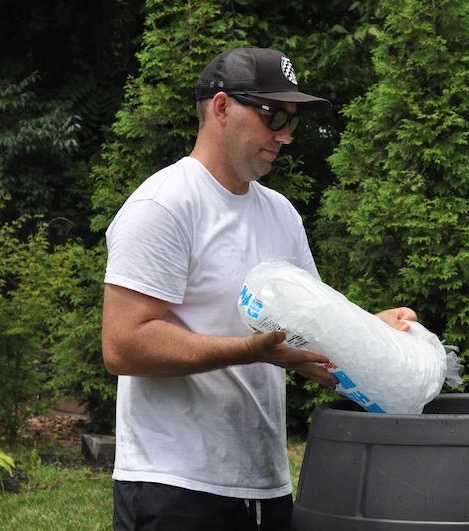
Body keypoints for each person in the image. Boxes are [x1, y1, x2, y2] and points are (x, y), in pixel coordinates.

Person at [101, 47, 417, 531]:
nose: (286, 135)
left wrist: (377, 332)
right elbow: (123, 345)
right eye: (275, 116)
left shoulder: (281, 214)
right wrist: (250, 351)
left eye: (293, 120)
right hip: (174, 486)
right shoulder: (164, 205)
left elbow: (316, 332)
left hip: (265, 486)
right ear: (222, 107)